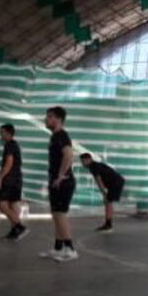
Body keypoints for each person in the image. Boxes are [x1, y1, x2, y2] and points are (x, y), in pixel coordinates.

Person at [39, 106, 78, 262]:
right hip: (57, 182)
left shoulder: (61, 135)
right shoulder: (55, 136)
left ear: (58, 119)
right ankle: (58, 248)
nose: (46, 119)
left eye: (49, 116)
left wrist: (61, 176)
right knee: (56, 215)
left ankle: (70, 249)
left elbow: (68, 155)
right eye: (47, 116)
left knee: (60, 214)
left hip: (64, 182)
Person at [0, 123, 29, 241]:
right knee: (13, 205)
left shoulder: (9, 145)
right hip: (17, 179)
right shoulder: (14, 145)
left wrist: (0, 177)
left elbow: (9, 163)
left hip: (10, 179)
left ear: (9, 133)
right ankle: (15, 231)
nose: (0, 135)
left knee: (2, 205)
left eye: (2, 132)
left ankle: (20, 227)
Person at [80, 153, 125, 233]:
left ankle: (108, 225)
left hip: (116, 183)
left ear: (89, 159)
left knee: (108, 202)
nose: (82, 163)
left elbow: (99, 181)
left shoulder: (93, 167)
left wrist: (104, 194)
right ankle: (108, 223)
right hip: (115, 182)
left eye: (83, 161)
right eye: (82, 161)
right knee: (108, 202)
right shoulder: (94, 166)